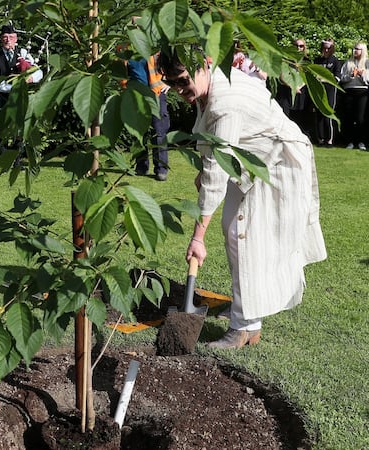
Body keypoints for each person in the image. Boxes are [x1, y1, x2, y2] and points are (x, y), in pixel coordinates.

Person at [156, 52, 327, 349]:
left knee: (243, 235)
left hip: (277, 162)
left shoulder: (226, 105)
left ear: (203, 65)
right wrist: (204, 170)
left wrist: (198, 237)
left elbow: (216, 177)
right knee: (233, 230)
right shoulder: (212, 85)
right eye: (172, 83)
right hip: (250, 162)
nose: (180, 89)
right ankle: (244, 308)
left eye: (183, 80)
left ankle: (245, 327)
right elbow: (215, 149)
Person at [0, 24, 43, 152]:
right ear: (1, 39)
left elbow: (38, 72)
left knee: (20, 128)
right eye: (5, 37)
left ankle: (17, 159)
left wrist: (31, 79)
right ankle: (1, 158)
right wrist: (13, 88)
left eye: (11, 37)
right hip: (2, 98)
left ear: (16, 39)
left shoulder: (24, 53)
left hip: (20, 99)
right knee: (2, 128)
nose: (8, 40)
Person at [126, 53, 171, 181]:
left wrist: (169, 82)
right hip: (135, 95)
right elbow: (122, 72)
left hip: (155, 94)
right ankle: (141, 167)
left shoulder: (153, 46)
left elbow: (169, 62)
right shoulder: (124, 47)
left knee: (158, 132)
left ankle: (161, 170)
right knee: (138, 132)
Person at [275, 39, 311, 139]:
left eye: (301, 46)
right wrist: (293, 87)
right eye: (296, 46)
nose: (298, 48)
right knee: (285, 114)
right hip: (287, 90)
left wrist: (299, 86)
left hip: (301, 90)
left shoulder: (306, 61)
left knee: (299, 115)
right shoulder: (286, 59)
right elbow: (282, 76)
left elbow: (307, 76)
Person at [340, 43, 369, 150]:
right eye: (354, 49)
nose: (355, 51)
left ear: (363, 50)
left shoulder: (367, 63)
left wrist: (361, 74)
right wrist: (351, 76)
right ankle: (349, 141)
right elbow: (342, 78)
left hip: (362, 91)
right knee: (349, 117)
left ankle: (361, 141)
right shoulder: (348, 62)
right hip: (349, 90)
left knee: (360, 118)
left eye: (358, 49)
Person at [314, 39, 342, 147]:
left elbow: (338, 77)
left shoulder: (335, 61)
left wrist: (325, 79)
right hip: (318, 90)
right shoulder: (317, 60)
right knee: (318, 114)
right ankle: (320, 140)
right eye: (324, 47)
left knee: (328, 114)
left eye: (328, 48)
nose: (326, 50)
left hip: (330, 90)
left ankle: (329, 140)